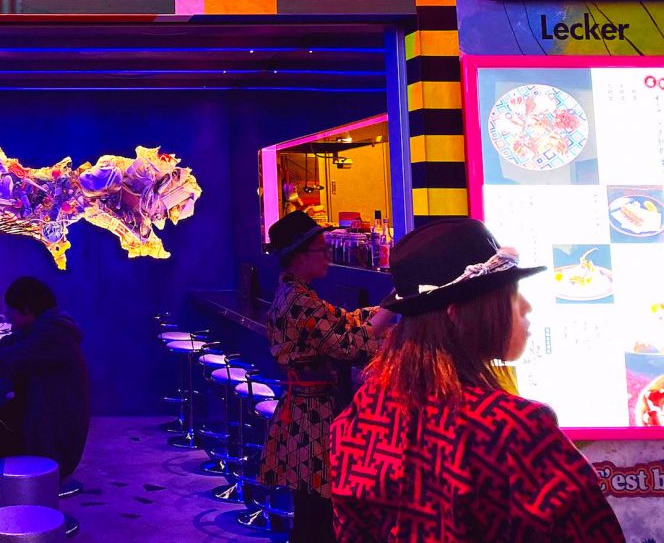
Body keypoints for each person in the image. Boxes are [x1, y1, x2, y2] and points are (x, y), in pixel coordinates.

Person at [330, 218, 624, 541]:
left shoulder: (361, 415)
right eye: (510, 294)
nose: (526, 307)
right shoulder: (515, 430)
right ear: (457, 315)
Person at [257, 211, 396, 542]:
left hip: (304, 412)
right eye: (322, 250)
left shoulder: (296, 293)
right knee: (317, 515)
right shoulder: (298, 301)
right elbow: (350, 344)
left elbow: (342, 320)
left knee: (312, 512)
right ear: (300, 256)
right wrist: (394, 308)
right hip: (311, 419)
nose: (328, 256)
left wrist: (384, 308)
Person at [0, 276, 90, 477]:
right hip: (44, 418)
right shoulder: (46, 326)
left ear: (27, 309)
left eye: (11, 308)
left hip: (54, 437)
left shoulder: (52, 335)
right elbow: (6, 344)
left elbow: (9, 359)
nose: (7, 314)